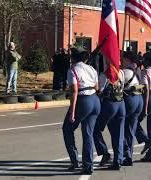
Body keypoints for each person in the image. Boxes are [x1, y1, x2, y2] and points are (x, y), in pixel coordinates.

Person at [62, 47, 100, 175]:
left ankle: (74, 160)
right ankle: (88, 165)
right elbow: (97, 87)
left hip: (84, 100)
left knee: (67, 128)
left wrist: (72, 112)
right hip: (95, 100)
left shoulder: (72, 69)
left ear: (73, 58)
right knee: (88, 133)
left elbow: (74, 91)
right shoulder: (91, 68)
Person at [93, 65, 126, 170]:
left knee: (95, 129)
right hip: (121, 104)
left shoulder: (104, 74)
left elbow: (100, 91)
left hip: (110, 104)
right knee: (118, 133)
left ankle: (104, 152)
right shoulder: (121, 72)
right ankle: (118, 160)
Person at [122, 52, 144, 166]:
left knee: (121, 127)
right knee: (131, 129)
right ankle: (129, 153)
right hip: (139, 99)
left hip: (129, 100)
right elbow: (142, 86)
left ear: (128, 60)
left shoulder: (124, 72)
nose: (122, 61)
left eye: (124, 59)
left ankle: (126, 152)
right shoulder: (138, 72)